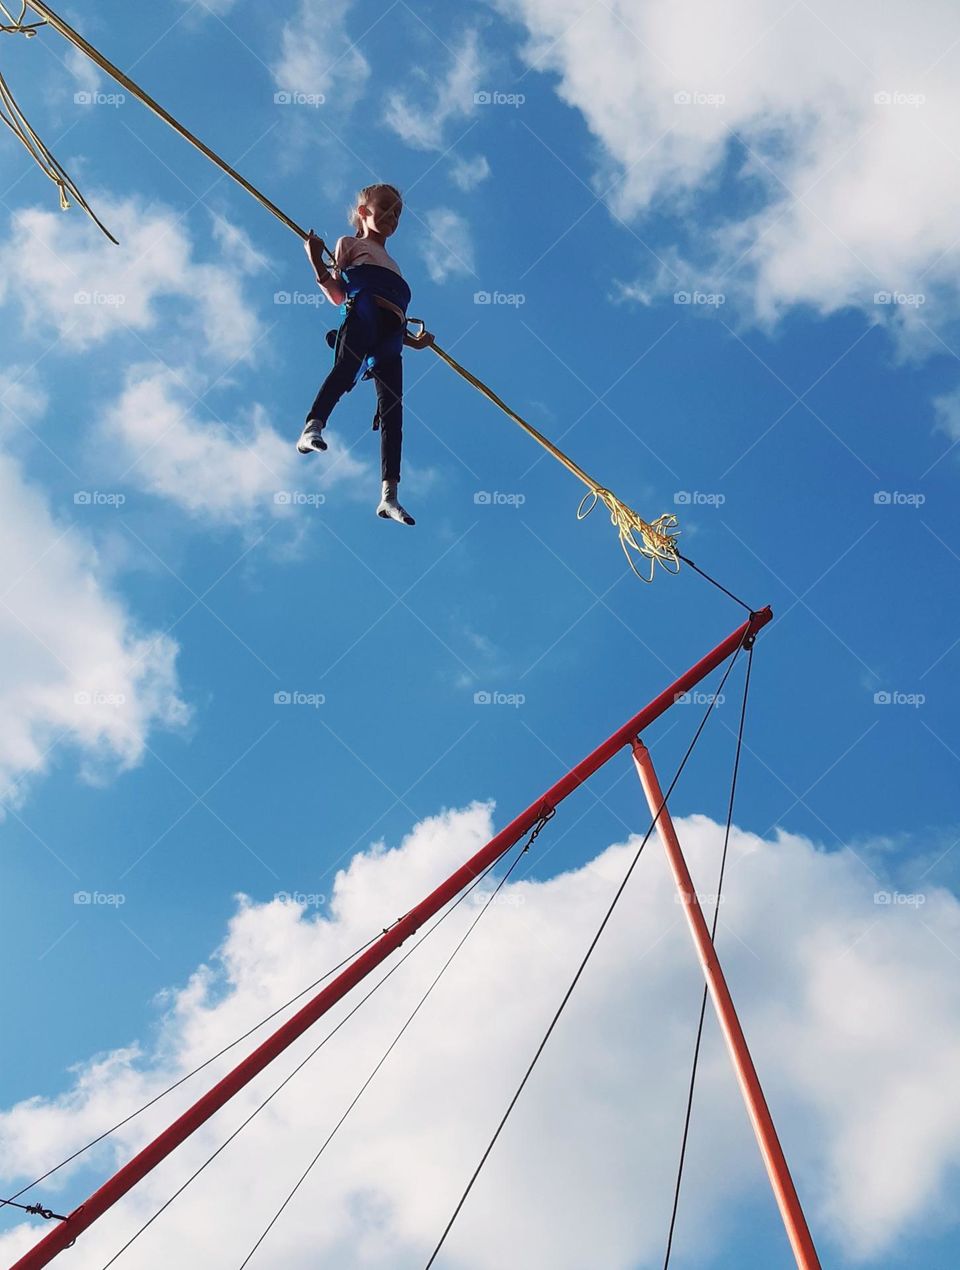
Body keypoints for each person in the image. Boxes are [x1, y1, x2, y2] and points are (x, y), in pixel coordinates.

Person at [298, 182, 433, 526]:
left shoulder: (395, 264)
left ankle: (389, 495)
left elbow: (395, 316)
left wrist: (412, 342)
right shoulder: (350, 244)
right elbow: (338, 293)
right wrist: (316, 262)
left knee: (394, 412)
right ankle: (312, 427)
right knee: (345, 368)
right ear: (363, 212)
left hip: (391, 334)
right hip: (363, 313)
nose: (392, 216)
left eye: (398, 213)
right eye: (385, 207)